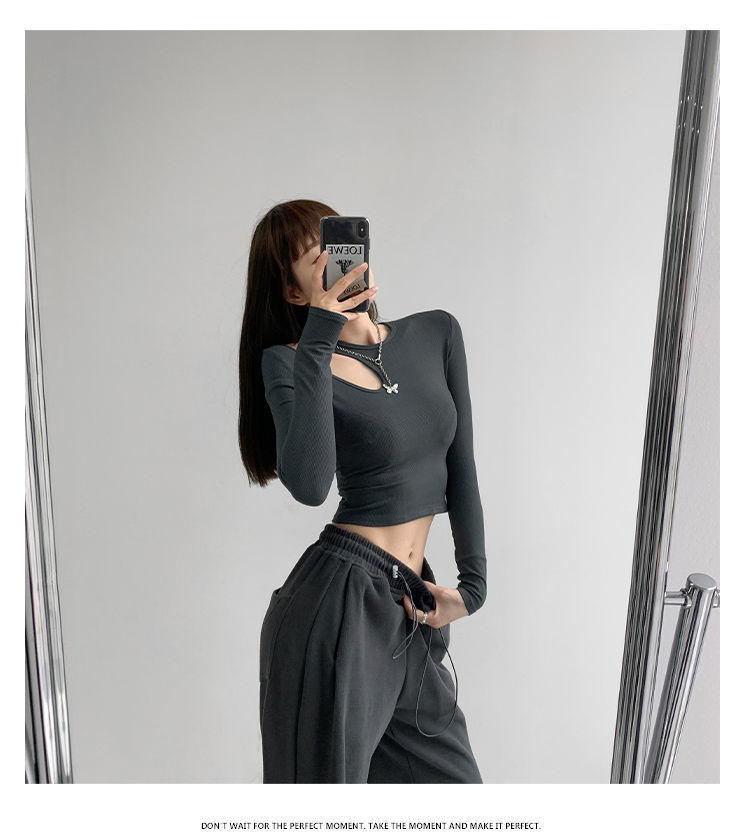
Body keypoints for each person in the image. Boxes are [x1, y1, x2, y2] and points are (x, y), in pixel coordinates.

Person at [238, 199, 487, 783]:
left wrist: (472, 588)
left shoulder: (436, 333)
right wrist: (318, 341)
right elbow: (310, 485)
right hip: (340, 605)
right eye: (315, 258)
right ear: (295, 292)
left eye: (338, 245)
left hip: (411, 604)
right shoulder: (291, 362)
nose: (336, 262)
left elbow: (462, 466)